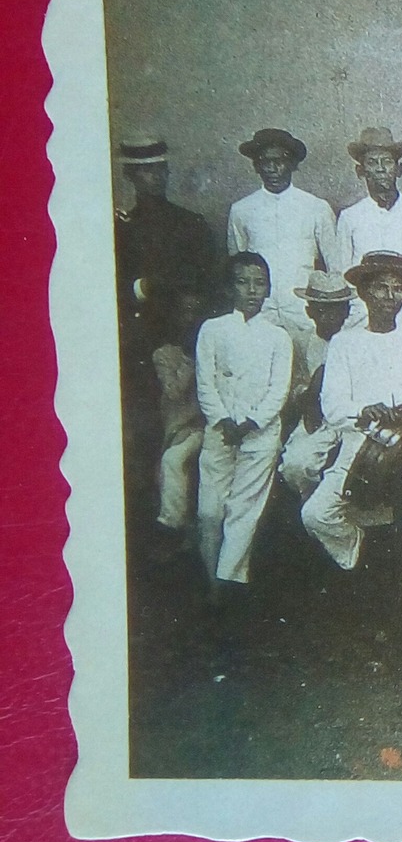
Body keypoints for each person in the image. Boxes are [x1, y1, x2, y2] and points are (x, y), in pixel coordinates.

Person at [301, 252, 402, 573]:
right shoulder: (344, 343)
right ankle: (357, 551)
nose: (389, 296)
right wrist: (363, 411)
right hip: (362, 446)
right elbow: (333, 407)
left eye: (397, 288)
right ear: (363, 292)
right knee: (315, 514)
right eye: (380, 288)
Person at [114, 136, 223, 528]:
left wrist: (159, 288)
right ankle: (151, 527)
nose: (153, 178)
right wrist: (145, 287)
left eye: (159, 170)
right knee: (146, 433)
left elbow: (205, 283)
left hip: (186, 340)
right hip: (141, 345)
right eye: (143, 171)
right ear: (130, 175)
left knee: (187, 432)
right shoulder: (120, 229)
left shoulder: (189, 224)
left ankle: (186, 521)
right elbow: (114, 289)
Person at [194, 252, 293, 600]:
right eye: (243, 282)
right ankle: (212, 581)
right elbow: (205, 383)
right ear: (228, 287)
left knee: (242, 512)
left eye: (259, 283)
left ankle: (226, 593)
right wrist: (223, 421)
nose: (252, 290)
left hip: (259, 436)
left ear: (268, 289)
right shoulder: (212, 329)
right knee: (209, 511)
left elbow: (278, 390)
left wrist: (250, 424)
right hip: (220, 433)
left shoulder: (278, 337)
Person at [226, 128, 338, 335]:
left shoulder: (316, 207)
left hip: (304, 314)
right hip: (260, 315)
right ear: (256, 167)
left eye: (279, 161)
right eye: (264, 162)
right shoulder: (241, 210)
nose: (272, 169)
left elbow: (335, 266)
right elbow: (238, 265)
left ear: (293, 165)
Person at [333, 127, 402, 330]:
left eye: (387, 161)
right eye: (372, 163)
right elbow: (343, 271)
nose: (380, 169)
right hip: (363, 313)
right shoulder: (350, 217)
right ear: (360, 171)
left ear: (399, 169)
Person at [277, 272, 354, 501]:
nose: (329, 316)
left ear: (347, 311)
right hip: (314, 419)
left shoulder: (356, 341)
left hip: (350, 418)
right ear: (309, 311)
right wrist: (309, 391)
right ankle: (309, 504)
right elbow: (291, 389)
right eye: (321, 309)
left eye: (337, 309)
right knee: (295, 465)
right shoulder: (299, 343)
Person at [152, 289, 207, 547]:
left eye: (195, 312)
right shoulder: (165, 354)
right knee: (172, 459)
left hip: (207, 427)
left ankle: (178, 526)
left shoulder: (210, 345)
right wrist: (190, 360)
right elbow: (174, 392)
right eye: (185, 312)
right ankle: (171, 527)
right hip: (180, 428)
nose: (190, 318)